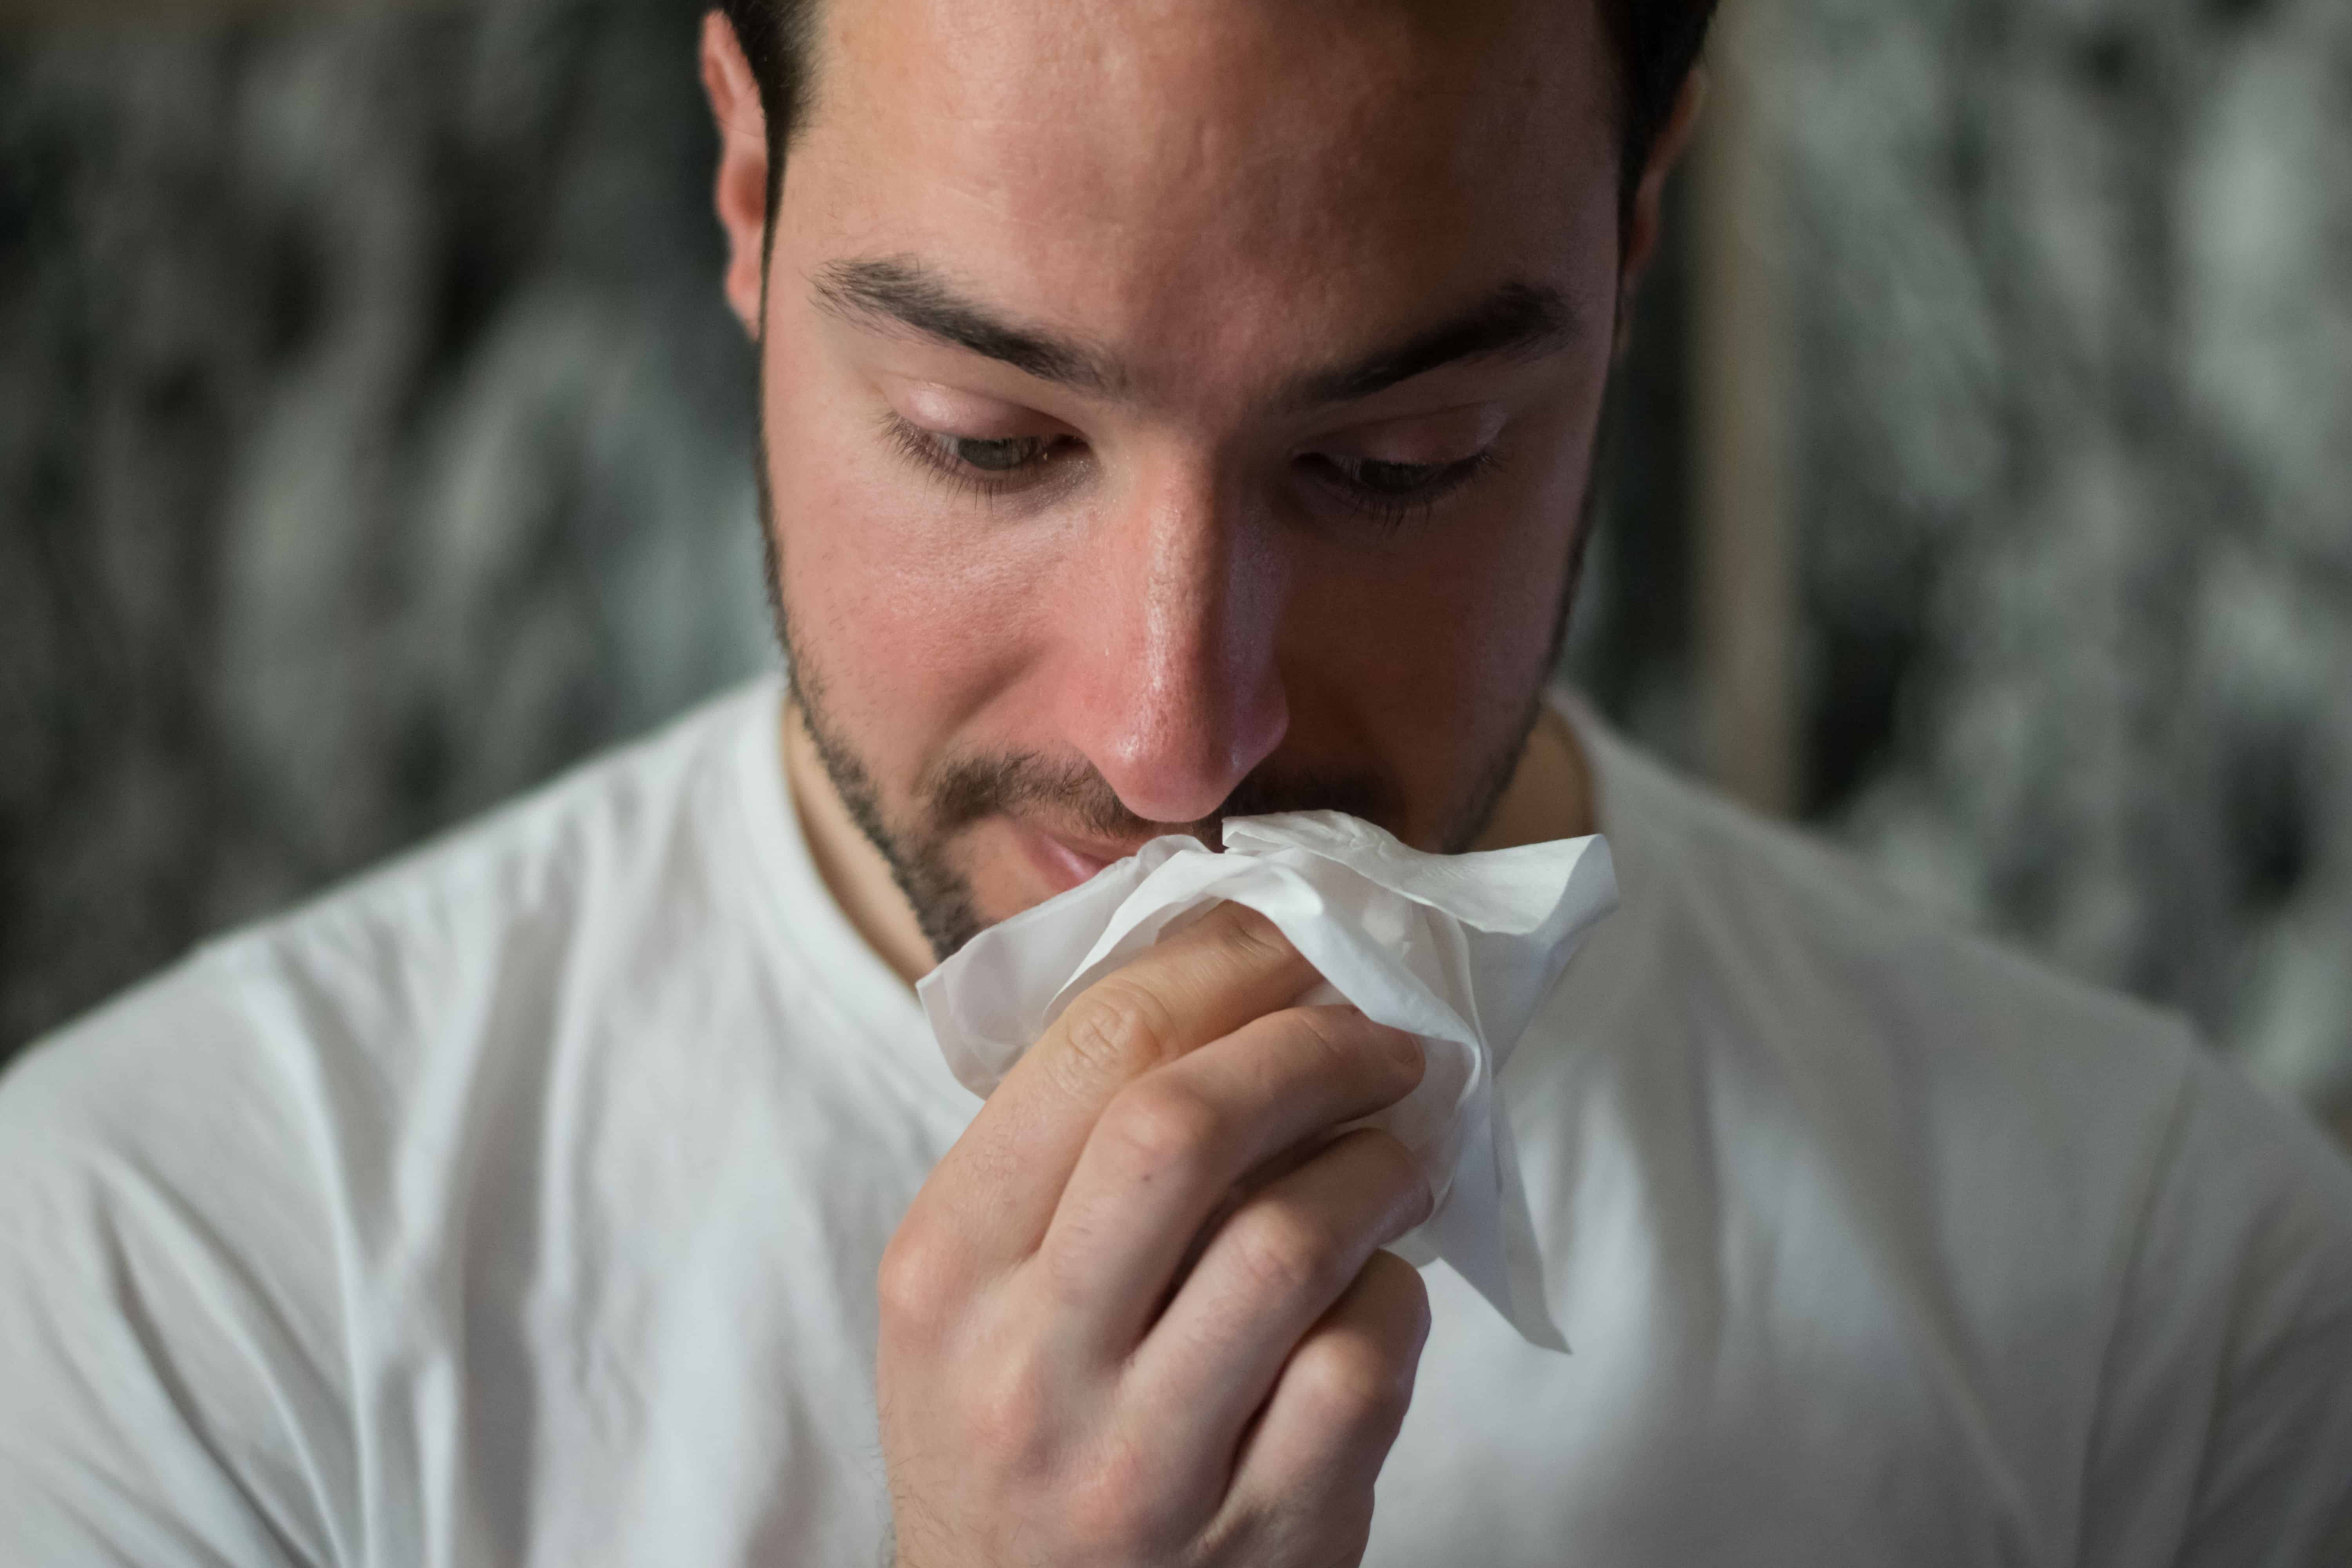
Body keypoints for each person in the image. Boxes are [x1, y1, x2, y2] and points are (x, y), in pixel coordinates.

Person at [4, 0, 2349, 1561]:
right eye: (991, 441)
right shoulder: (181, 1285)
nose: (1176, 735)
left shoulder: (2165, 1310)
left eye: (1399, 461)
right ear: (743, 185)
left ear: (1630, 242)